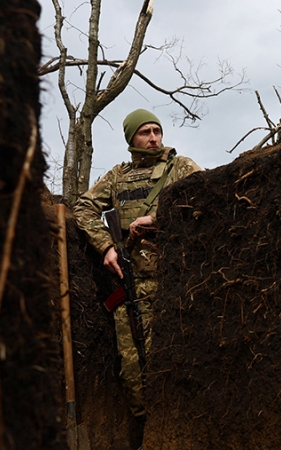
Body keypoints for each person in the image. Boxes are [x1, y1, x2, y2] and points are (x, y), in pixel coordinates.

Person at [73, 109, 201, 419]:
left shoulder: (180, 167)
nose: (154, 138)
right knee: (132, 368)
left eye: (157, 131)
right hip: (130, 287)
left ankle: (175, 425)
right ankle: (148, 427)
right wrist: (105, 246)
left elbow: (205, 199)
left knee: (172, 360)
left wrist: (157, 220)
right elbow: (83, 208)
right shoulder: (117, 177)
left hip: (174, 282)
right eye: (145, 132)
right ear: (132, 138)